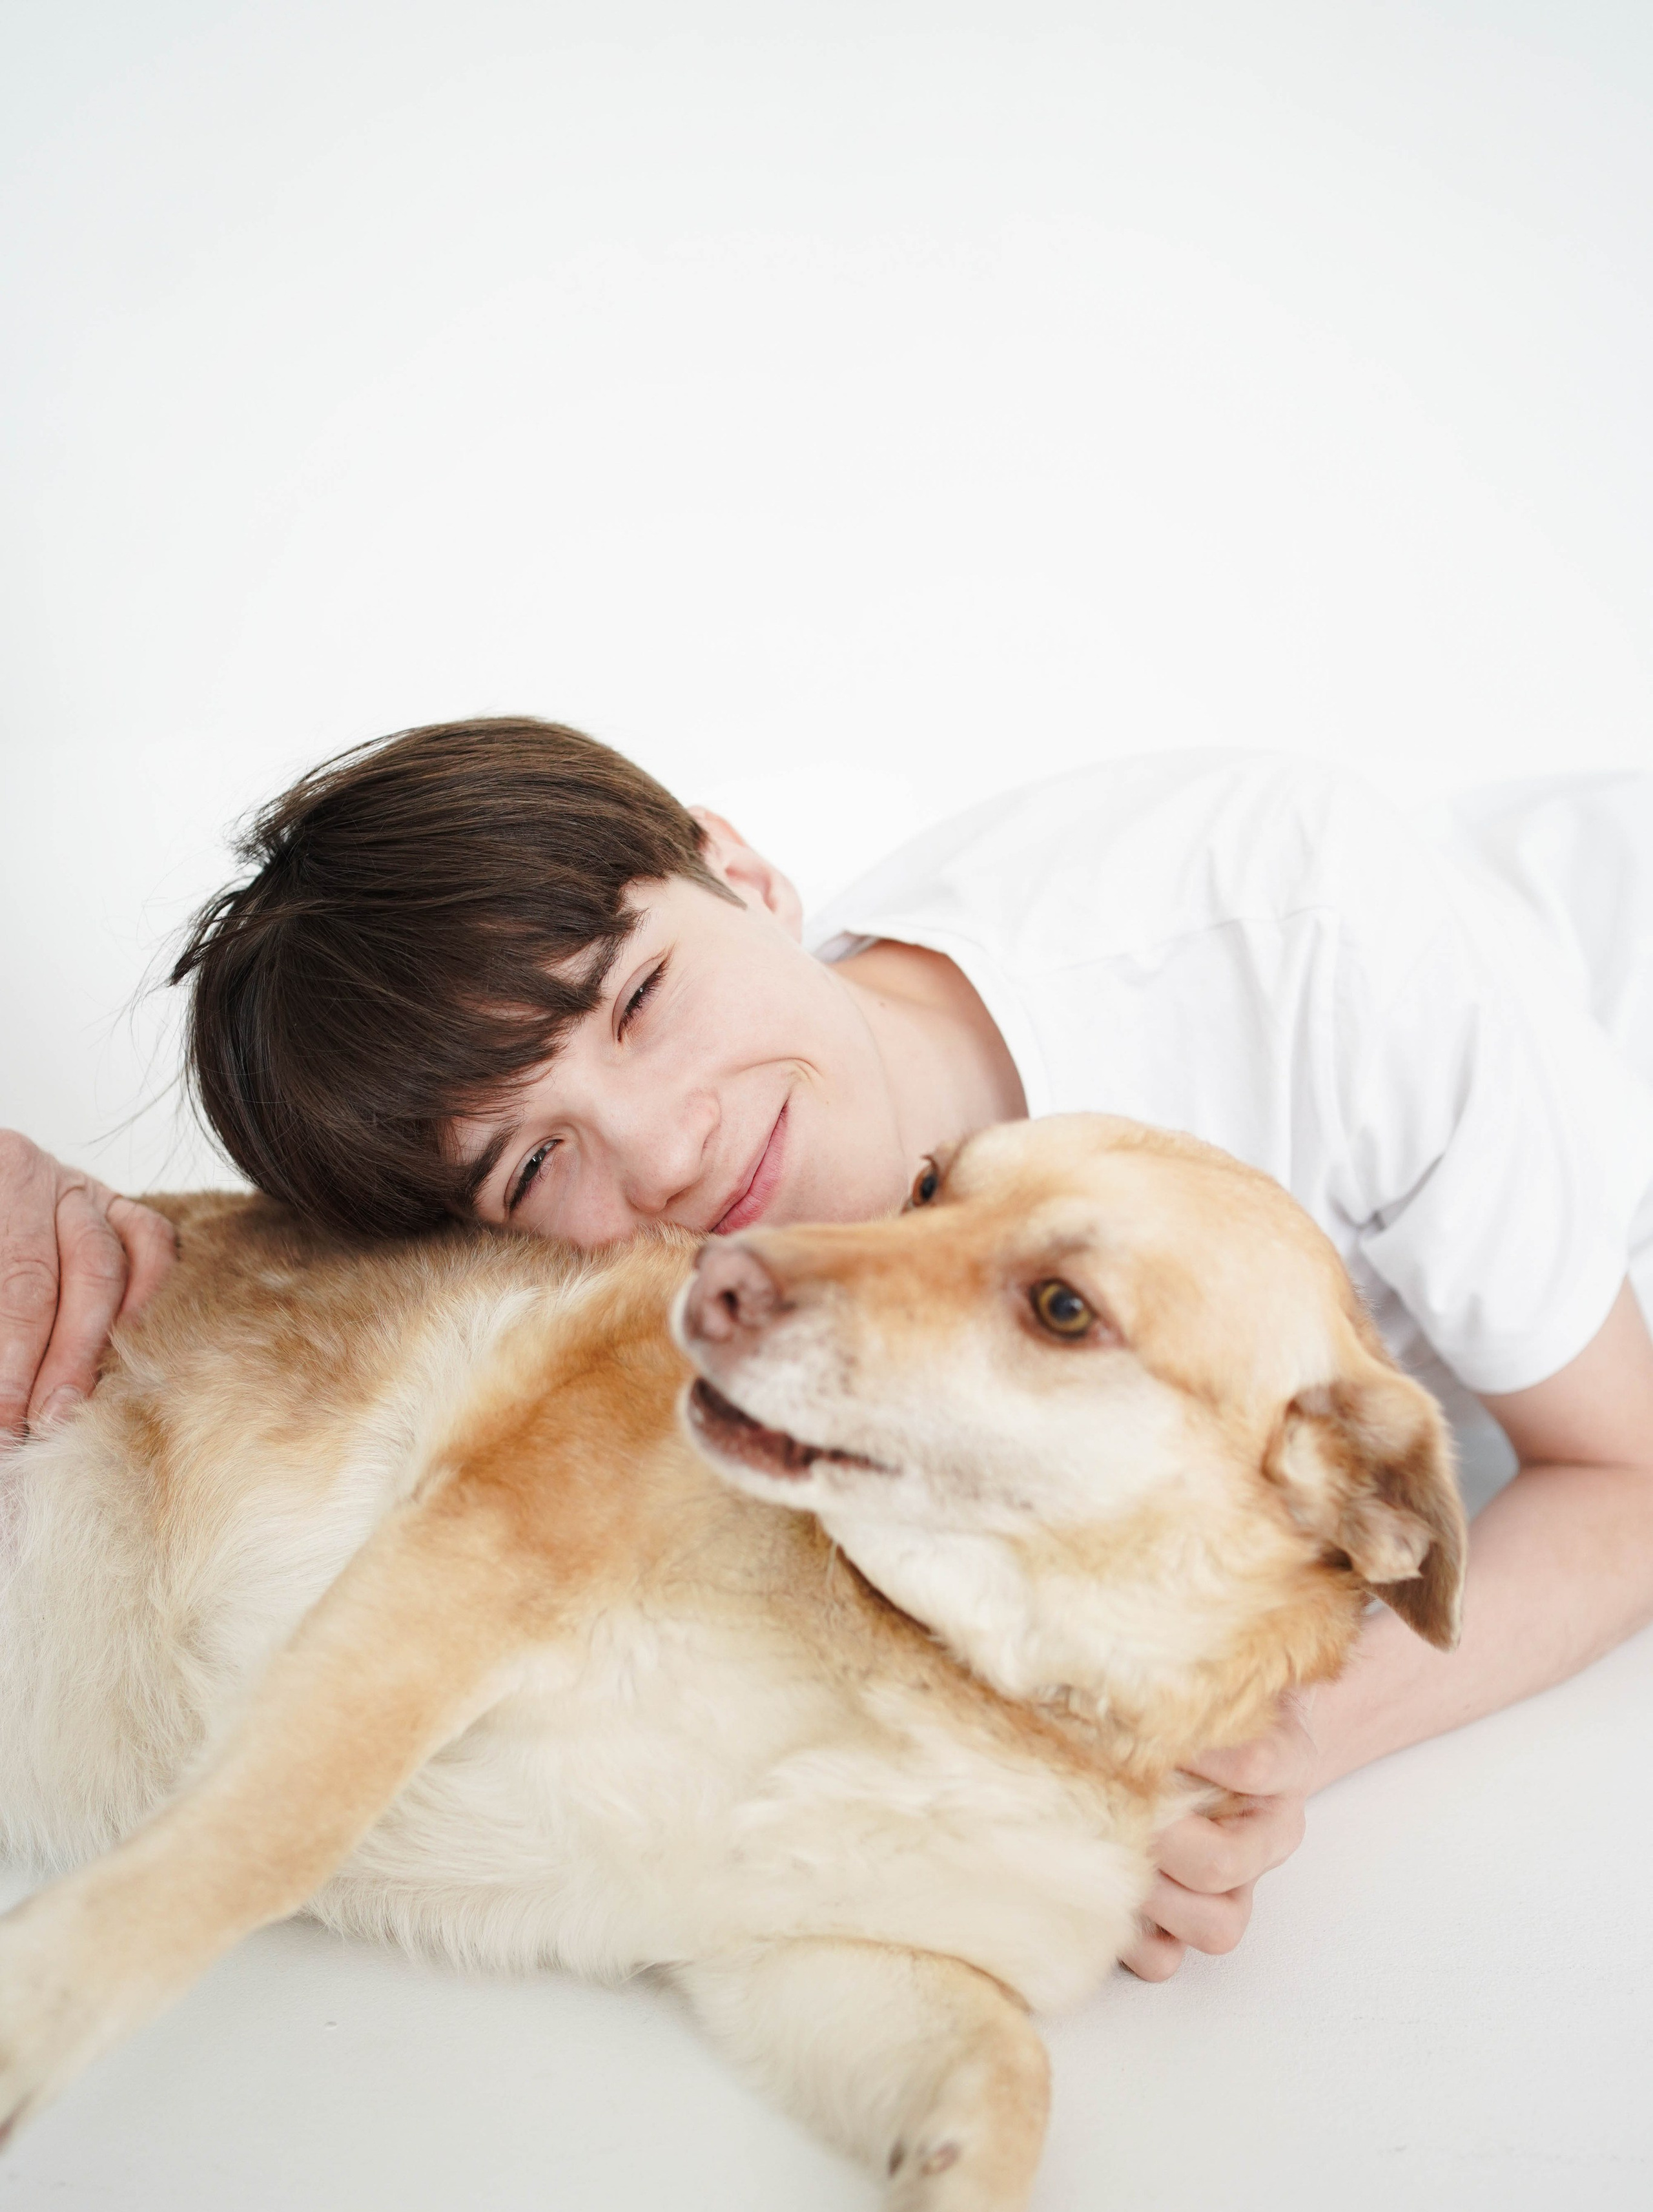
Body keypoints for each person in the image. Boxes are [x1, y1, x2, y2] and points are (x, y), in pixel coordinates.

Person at [7, 719, 1653, 1983]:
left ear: (741, 868)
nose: (656, 1149)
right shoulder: (732, 1316)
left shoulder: (1317, 936)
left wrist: (1247, 1755)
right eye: (530, 1165)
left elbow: (1619, 1470)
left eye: (639, 997)